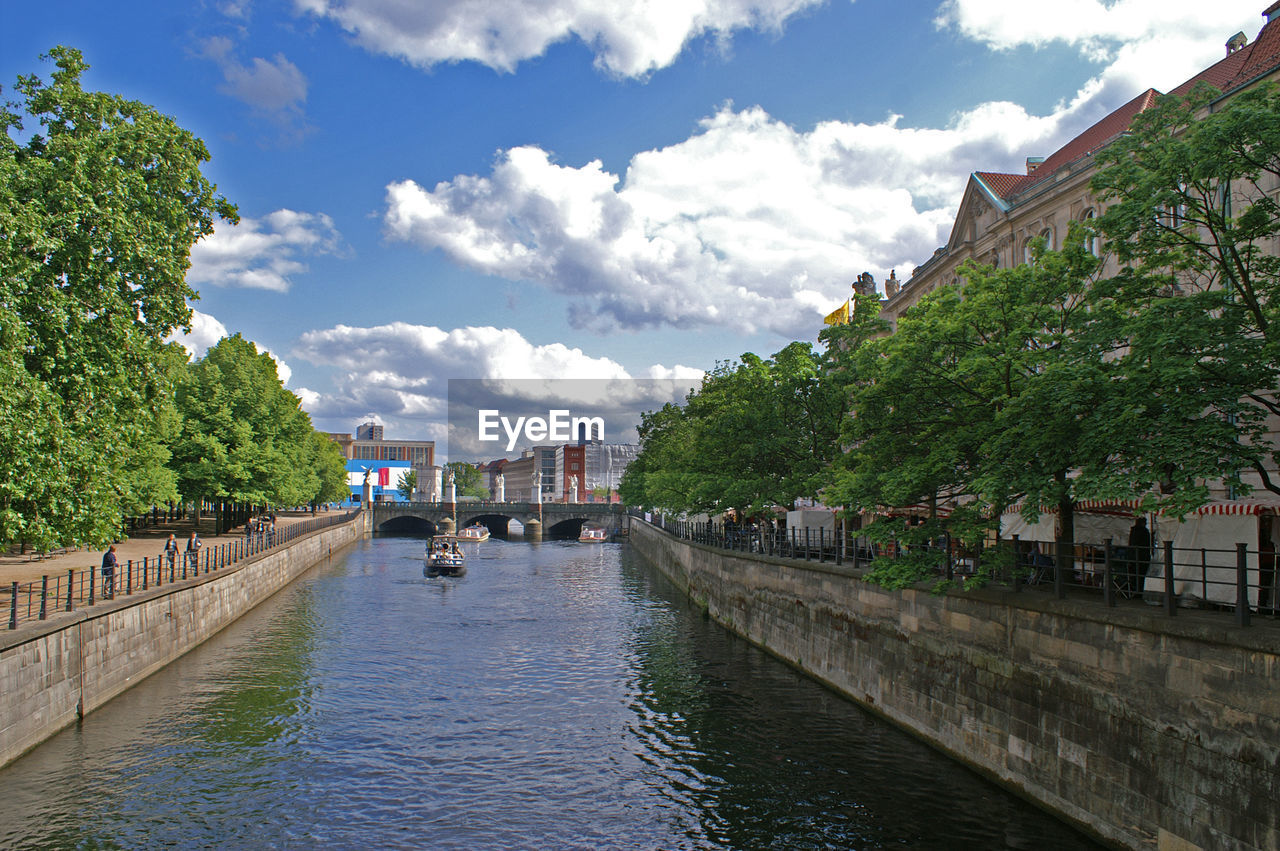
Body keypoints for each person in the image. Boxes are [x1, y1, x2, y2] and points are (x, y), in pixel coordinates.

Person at [1126, 517, 1153, 599]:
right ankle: (1140, 591)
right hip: (1142, 557)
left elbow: (1131, 544)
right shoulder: (1144, 532)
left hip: (1134, 557)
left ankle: (1136, 591)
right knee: (1141, 575)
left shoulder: (1133, 531)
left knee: (1135, 575)